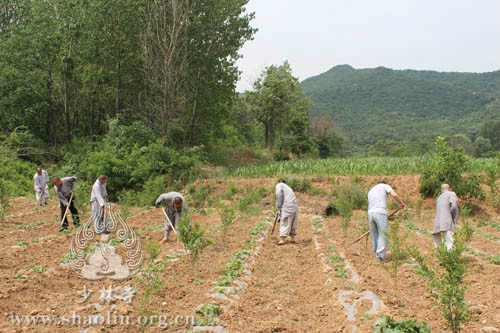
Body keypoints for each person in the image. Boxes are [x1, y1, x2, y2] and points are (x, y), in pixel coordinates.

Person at [367, 181, 405, 262]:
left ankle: (376, 255)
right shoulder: (385, 186)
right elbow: (394, 195)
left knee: (374, 235)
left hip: (370, 213)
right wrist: (401, 203)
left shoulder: (371, 190)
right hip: (380, 212)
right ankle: (380, 257)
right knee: (383, 234)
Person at [433, 184, 459, 251]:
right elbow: (454, 206)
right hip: (447, 221)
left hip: (437, 223)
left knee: (438, 243)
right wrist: (454, 218)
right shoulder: (451, 194)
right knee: (450, 241)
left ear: (441, 190)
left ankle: (440, 257)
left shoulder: (439, 198)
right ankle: (449, 258)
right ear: (450, 189)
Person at [275, 179, 299, 246]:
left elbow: (279, 195)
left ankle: (282, 240)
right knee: (293, 223)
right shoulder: (288, 188)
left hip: (288, 207)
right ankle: (292, 239)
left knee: (285, 222)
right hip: (295, 207)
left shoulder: (280, 185)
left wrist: (278, 208)